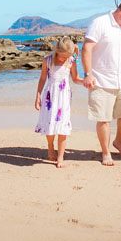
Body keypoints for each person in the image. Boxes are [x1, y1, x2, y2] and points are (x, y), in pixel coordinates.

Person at [81, 0, 121, 166]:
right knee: (104, 119)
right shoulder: (99, 23)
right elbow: (87, 48)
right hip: (100, 80)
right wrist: (87, 74)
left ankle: (118, 142)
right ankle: (106, 152)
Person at [34, 36, 84, 168]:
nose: (63, 59)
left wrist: (84, 82)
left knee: (63, 127)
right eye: (62, 56)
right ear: (56, 51)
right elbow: (42, 79)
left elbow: (75, 78)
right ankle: (50, 147)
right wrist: (38, 96)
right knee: (50, 127)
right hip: (50, 97)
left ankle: (60, 157)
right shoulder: (48, 60)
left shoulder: (71, 61)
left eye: (66, 56)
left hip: (64, 98)